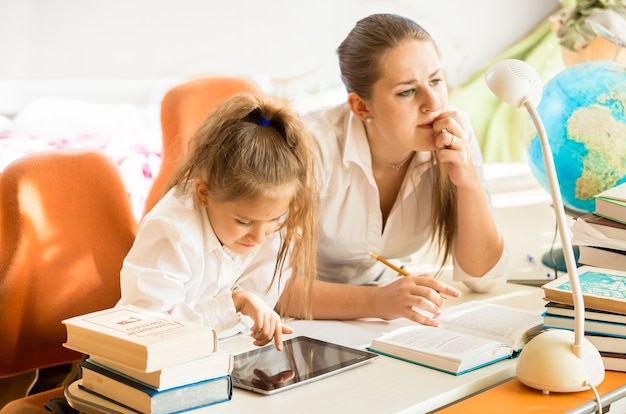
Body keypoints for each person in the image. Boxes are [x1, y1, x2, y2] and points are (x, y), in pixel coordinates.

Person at [277, 13, 508, 326]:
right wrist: (376, 302)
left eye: (436, 81)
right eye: (407, 91)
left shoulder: (456, 133)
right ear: (361, 107)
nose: (433, 103)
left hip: (376, 318)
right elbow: (267, 287)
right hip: (300, 321)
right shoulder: (310, 146)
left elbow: (483, 277)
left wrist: (466, 181)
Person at [117, 91, 318, 351]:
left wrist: (253, 314)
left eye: (274, 219)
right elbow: (147, 332)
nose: (259, 237)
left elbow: (253, 310)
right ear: (204, 194)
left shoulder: (275, 225)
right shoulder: (172, 230)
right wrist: (234, 303)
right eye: (244, 222)